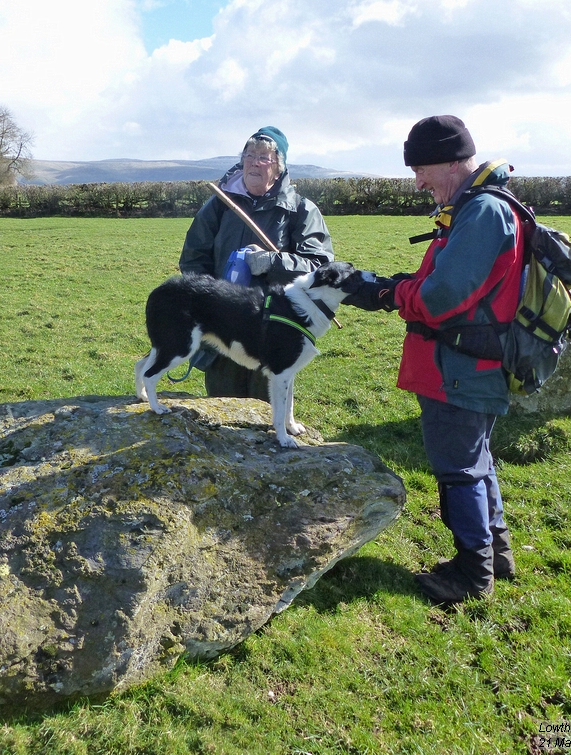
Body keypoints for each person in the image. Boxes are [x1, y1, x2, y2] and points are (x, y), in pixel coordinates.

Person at [341, 115, 525, 604]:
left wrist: (386, 292)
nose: (418, 181)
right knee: (476, 462)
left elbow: (442, 296)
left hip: (461, 370)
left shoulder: (482, 212)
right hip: (467, 366)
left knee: (458, 469)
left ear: (452, 161)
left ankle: (471, 572)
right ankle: (495, 553)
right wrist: (385, 287)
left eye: (422, 168)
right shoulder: (472, 209)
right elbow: (441, 282)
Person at [179, 126, 334, 399]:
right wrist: (213, 301)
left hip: (275, 328)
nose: (254, 162)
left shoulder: (300, 209)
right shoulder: (219, 204)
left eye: (264, 157)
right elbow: (193, 258)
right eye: (249, 155)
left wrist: (272, 262)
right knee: (223, 412)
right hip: (225, 329)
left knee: (267, 415)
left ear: (279, 166)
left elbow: (319, 267)